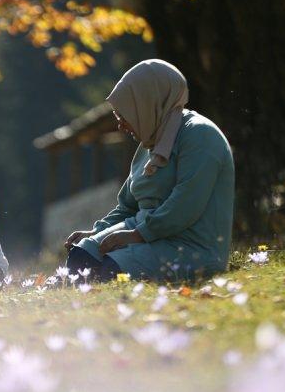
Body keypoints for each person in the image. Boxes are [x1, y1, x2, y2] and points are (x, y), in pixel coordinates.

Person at [64, 59, 234, 282]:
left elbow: (186, 204)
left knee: (111, 270)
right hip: (145, 235)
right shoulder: (150, 144)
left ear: (145, 105)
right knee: (81, 256)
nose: (120, 125)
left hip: (188, 246)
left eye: (123, 115)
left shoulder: (201, 136)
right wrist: (97, 232)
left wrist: (136, 235)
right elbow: (128, 206)